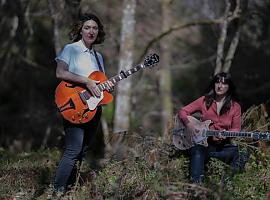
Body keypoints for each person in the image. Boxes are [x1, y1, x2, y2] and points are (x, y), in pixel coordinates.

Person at [54, 13, 114, 193]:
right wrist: (87, 82)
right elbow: (60, 73)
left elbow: (99, 83)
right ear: (80, 30)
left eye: (95, 28)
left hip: (93, 109)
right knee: (73, 149)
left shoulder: (99, 57)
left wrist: (107, 87)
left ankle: (70, 189)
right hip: (73, 104)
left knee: (82, 150)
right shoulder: (71, 49)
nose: (91, 31)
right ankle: (57, 191)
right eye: (87, 27)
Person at [178, 72, 248, 184]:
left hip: (222, 148)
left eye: (224, 83)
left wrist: (226, 133)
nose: (220, 86)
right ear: (213, 84)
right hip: (204, 146)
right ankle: (196, 186)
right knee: (197, 149)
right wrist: (189, 124)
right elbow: (182, 111)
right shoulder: (204, 101)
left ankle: (224, 184)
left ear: (229, 87)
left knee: (243, 153)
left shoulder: (235, 107)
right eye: (217, 82)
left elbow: (236, 129)